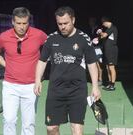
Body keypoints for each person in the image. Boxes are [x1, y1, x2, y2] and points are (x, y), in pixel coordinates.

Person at [34, 7, 101, 135]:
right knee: (51, 129)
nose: (63, 27)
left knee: (77, 129)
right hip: (56, 91)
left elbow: (92, 63)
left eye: (66, 23)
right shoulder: (51, 39)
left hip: (77, 91)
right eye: (60, 24)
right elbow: (42, 61)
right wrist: (37, 80)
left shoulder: (84, 39)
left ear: (73, 20)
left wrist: (95, 86)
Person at [0, 7, 47, 135]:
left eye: (25, 23)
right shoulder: (4, 37)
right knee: (9, 120)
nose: (22, 27)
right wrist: (6, 65)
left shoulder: (39, 34)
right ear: (13, 22)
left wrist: (41, 69)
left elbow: (51, 48)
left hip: (32, 86)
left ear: (29, 22)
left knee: (29, 123)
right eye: (18, 23)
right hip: (10, 86)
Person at [97, 17, 118, 91]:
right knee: (108, 67)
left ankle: (112, 85)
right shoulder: (107, 29)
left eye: (103, 23)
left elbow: (104, 35)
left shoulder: (112, 28)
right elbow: (102, 37)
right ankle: (110, 83)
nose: (103, 25)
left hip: (112, 51)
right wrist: (100, 35)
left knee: (111, 67)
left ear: (106, 21)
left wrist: (100, 32)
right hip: (107, 51)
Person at [88, 17, 103, 86]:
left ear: (94, 21)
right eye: (89, 21)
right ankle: (96, 79)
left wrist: (97, 39)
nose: (90, 23)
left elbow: (100, 37)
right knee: (94, 64)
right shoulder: (91, 29)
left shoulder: (98, 29)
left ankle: (100, 79)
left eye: (91, 21)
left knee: (98, 64)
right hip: (93, 48)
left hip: (98, 48)